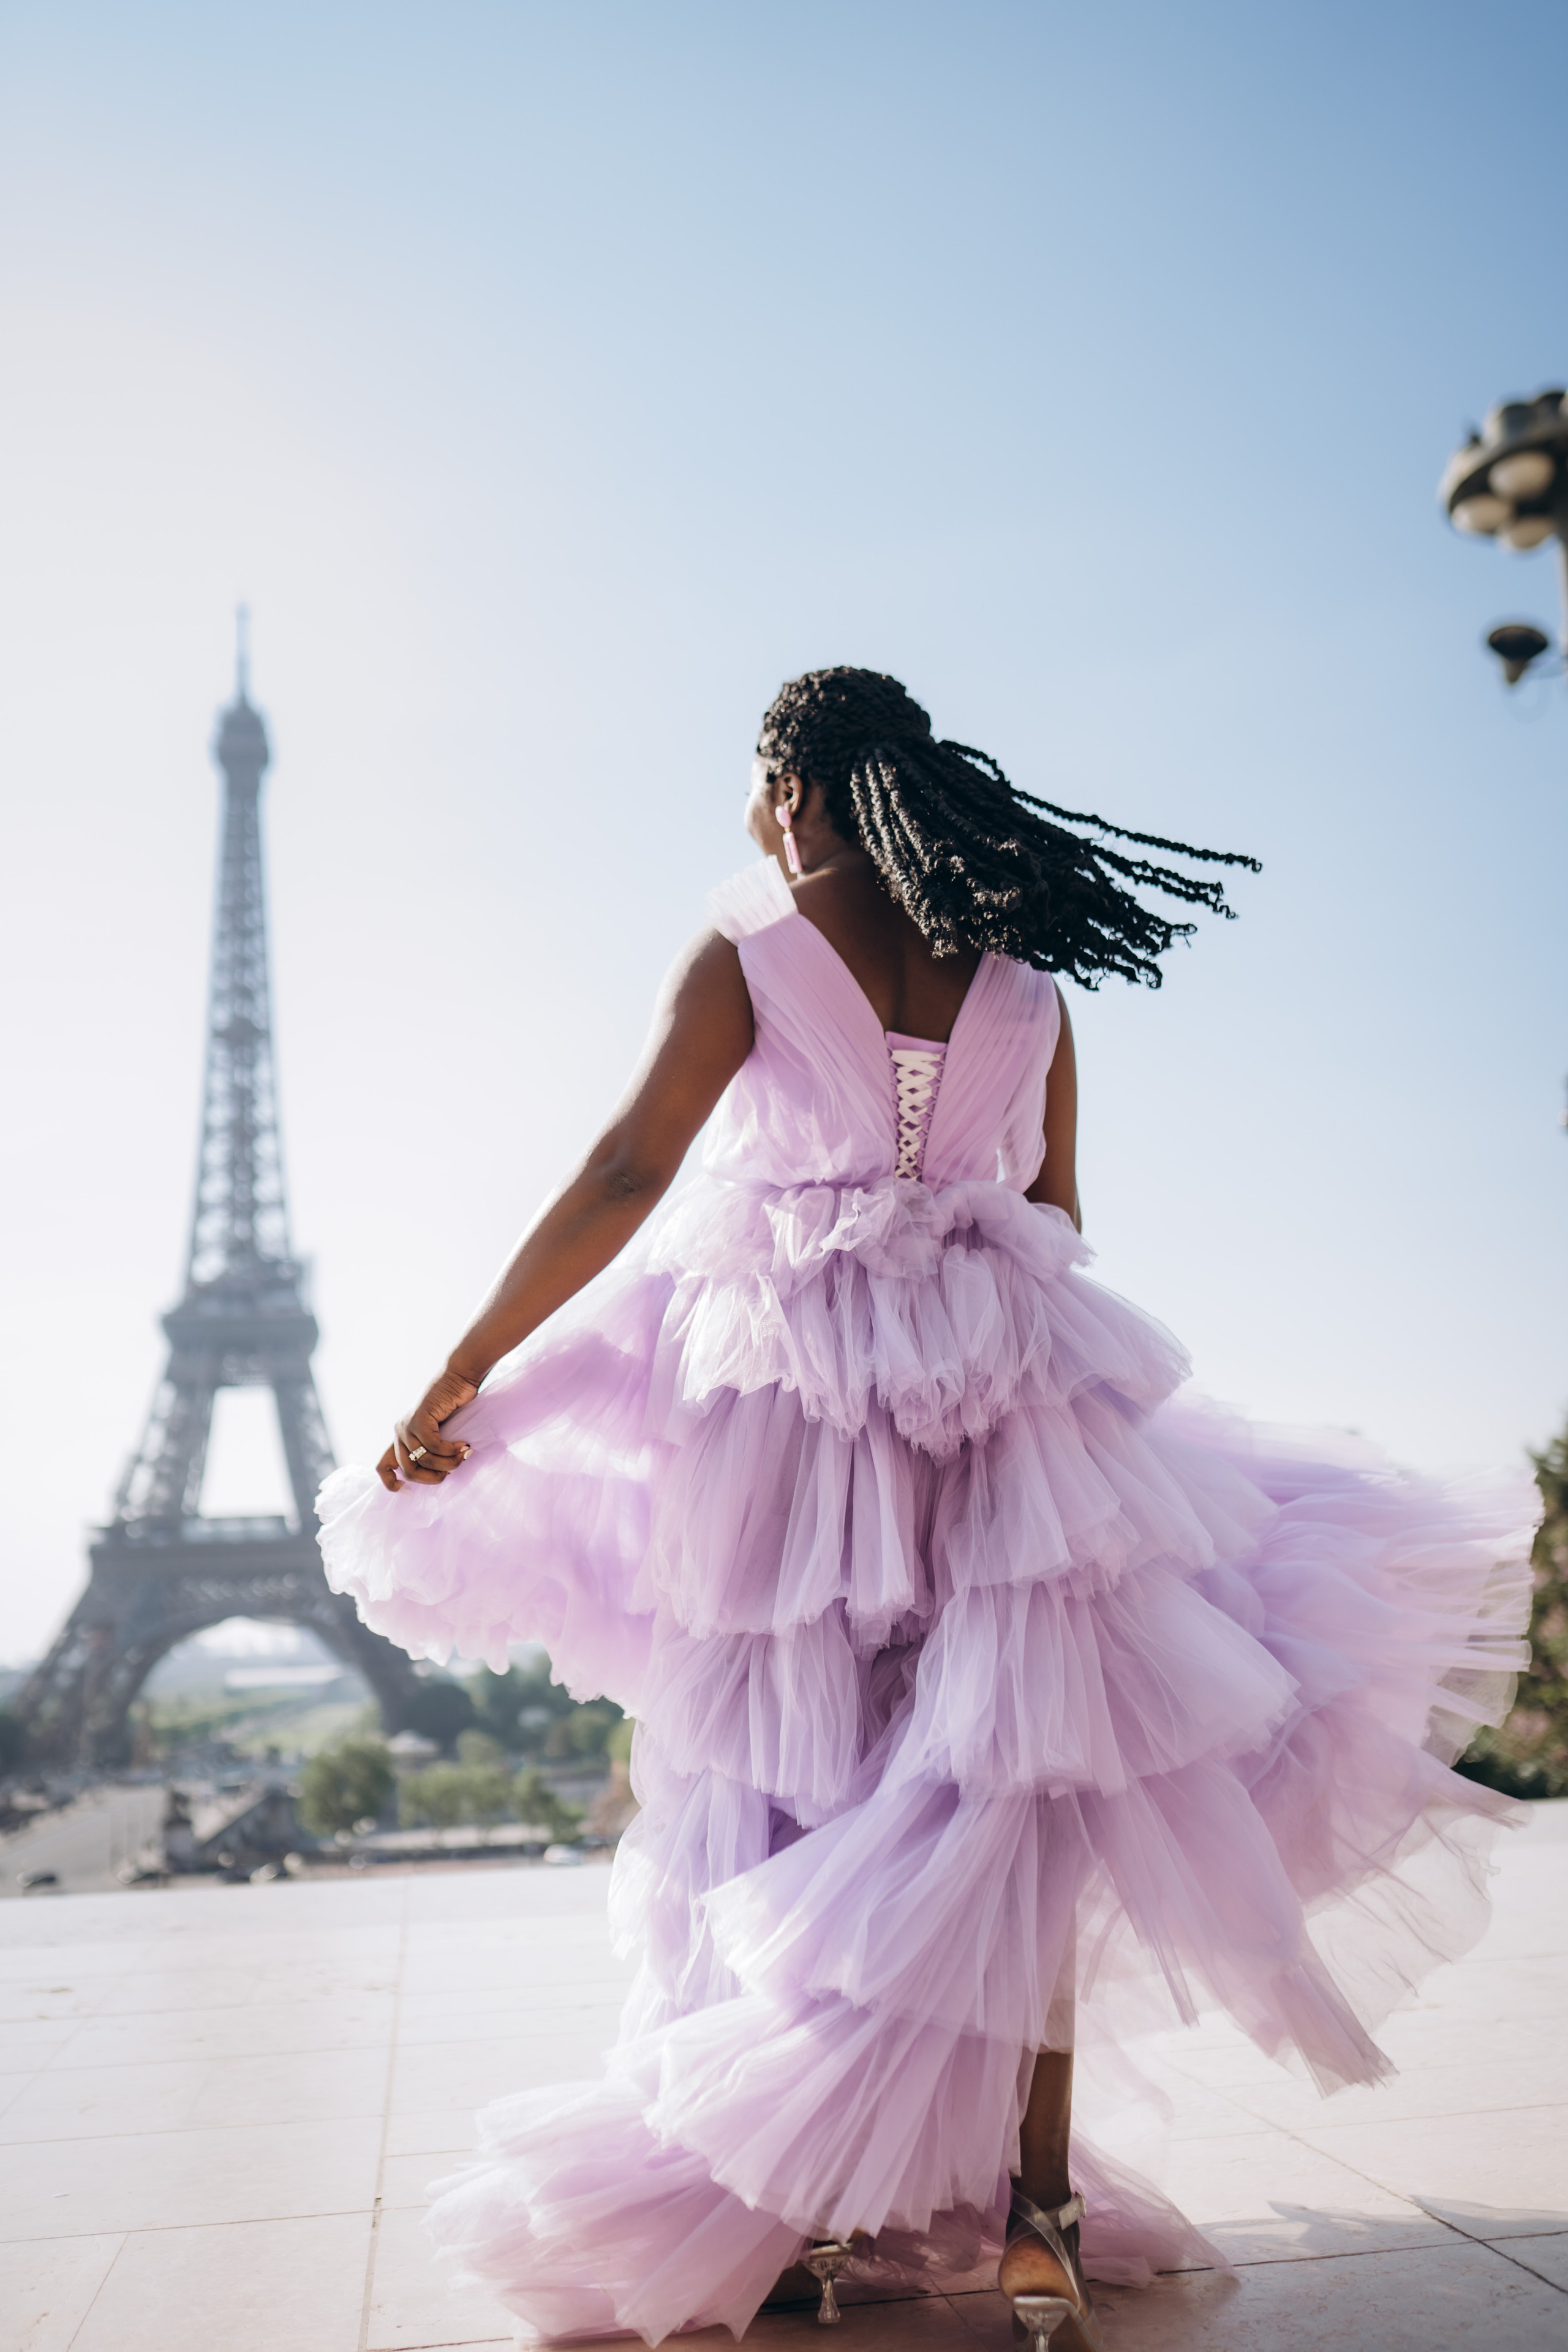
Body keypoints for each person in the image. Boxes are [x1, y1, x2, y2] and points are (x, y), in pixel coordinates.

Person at [320, 666, 1531, 2351]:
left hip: (797, 1413)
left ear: (793, 785)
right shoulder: (1028, 980)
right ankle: (1038, 2220)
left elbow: (629, 1173)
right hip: (1015, 1407)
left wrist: (468, 1362)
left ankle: (803, 2217)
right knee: (1015, 1796)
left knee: (795, 1789)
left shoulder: (750, 945)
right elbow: (1059, 1213)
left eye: (760, 790)